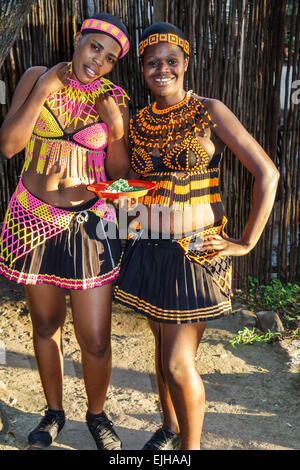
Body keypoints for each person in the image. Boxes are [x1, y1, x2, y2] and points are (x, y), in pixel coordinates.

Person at [114, 22, 280, 450]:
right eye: (153, 62)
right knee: (159, 343)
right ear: (142, 69)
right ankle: (169, 428)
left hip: (196, 253)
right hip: (148, 248)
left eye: (171, 61)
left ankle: (189, 452)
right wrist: (120, 204)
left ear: (186, 64)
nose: (162, 69)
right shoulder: (139, 121)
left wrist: (247, 242)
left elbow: (267, 174)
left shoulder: (210, 110)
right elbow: (134, 179)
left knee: (177, 360)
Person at [0, 12, 130, 450]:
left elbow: (122, 178)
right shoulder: (39, 76)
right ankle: (54, 413)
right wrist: (43, 91)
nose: (99, 61)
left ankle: (97, 416)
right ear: (77, 39)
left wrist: (114, 128)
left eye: (110, 58)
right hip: (33, 220)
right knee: (46, 325)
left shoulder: (115, 98)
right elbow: (9, 145)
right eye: (95, 47)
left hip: (89, 227)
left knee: (94, 339)